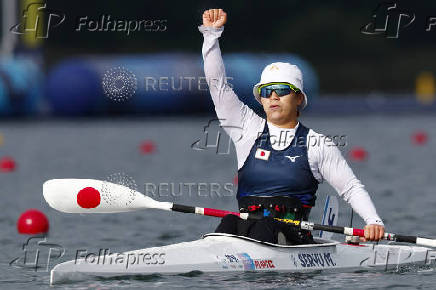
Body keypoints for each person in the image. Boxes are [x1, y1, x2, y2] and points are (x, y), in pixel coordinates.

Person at [199, 9, 385, 245]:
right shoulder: (245, 128)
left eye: (282, 90)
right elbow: (218, 86)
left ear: (298, 98)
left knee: (265, 226)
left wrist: (373, 222)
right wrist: (211, 35)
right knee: (228, 222)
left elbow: (350, 187)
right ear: (262, 99)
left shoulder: (317, 144)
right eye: (267, 92)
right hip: (247, 234)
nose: (274, 97)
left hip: (292, 240)